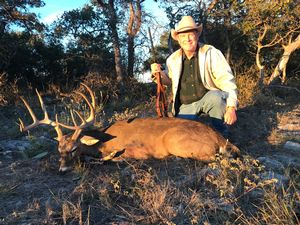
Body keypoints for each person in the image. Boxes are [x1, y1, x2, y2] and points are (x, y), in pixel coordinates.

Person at [150, 15, 238, 137]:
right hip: (185, 105)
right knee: (182, 136)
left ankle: (223, 136)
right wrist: (157, 74)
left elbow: (227, 80)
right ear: (178, 40)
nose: (187, 39)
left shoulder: (211, 52)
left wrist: (231, 107)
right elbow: (169, 80)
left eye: (190, 34)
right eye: (183, 36)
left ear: (197, 35)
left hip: (208, 99)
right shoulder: (172, 60)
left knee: (217, 98)